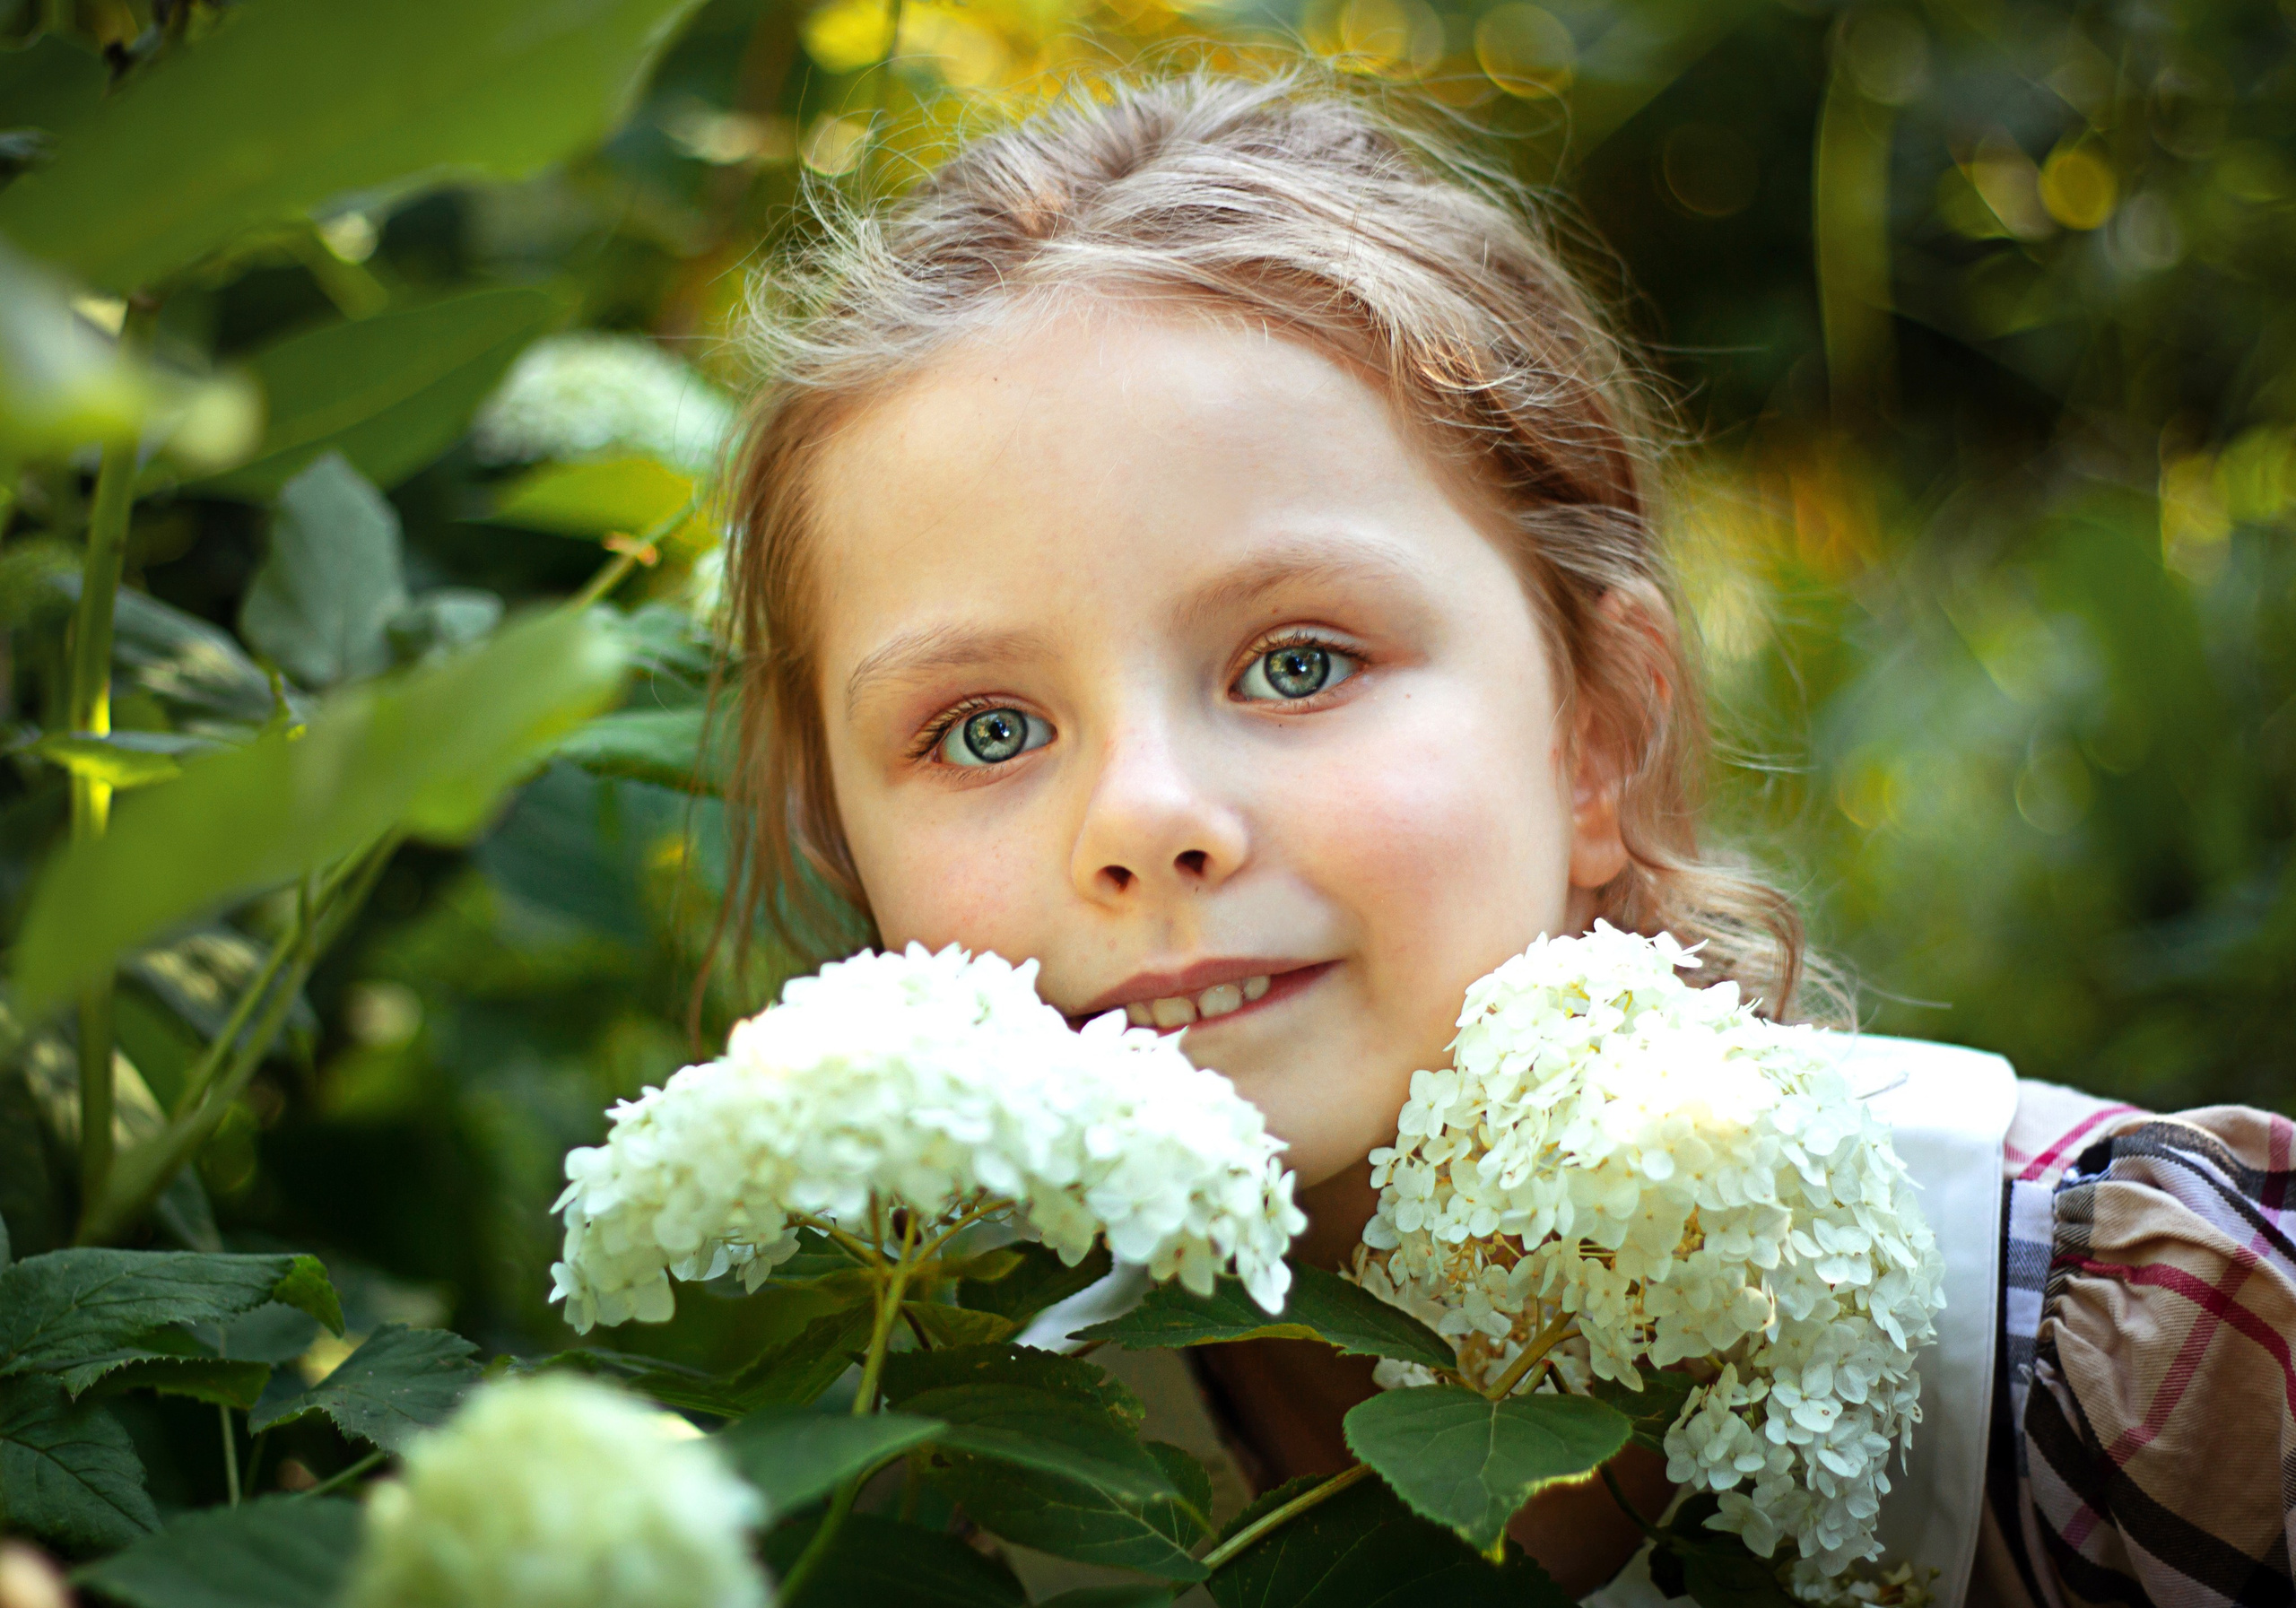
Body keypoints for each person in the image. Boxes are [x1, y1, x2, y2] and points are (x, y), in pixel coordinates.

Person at [712, 73, 2296, 1608]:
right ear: (846, 845)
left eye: (1298, 662)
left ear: (1597, 731)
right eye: (988, 729)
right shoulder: (897, 1479)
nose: (1143, 820)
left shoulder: (2133, 1351)